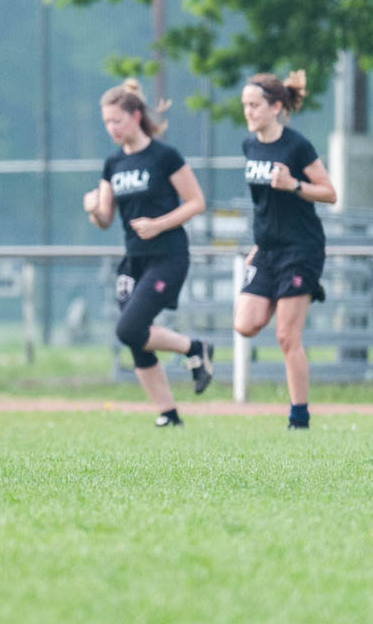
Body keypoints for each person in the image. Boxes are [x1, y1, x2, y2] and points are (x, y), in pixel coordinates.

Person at [81, 79, 211, 426]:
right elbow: (105, 219)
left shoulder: (163, 156)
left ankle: (195, 349)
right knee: (137, 339)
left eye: (117, 121)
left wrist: (160, 224)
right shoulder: (112, 164)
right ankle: (169, 415)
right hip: (133, 259)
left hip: (168, 256)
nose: (112, 128)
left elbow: (197, 202)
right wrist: (92, 207)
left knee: (128, 328)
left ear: (136, 116)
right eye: (106, 122)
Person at [233, 70, 336, 429]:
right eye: (245, 105)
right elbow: (263, 205)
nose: (249, 111)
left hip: (301, 248)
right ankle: (285, 290)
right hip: (268, 250)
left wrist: (294, 185)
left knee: (285, 335)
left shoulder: (296, 146)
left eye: (255, 105)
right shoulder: (250, 146)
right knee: (245, 324)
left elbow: (329, 191)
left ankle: (299, 417)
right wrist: (258, 245)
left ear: (276, 106)